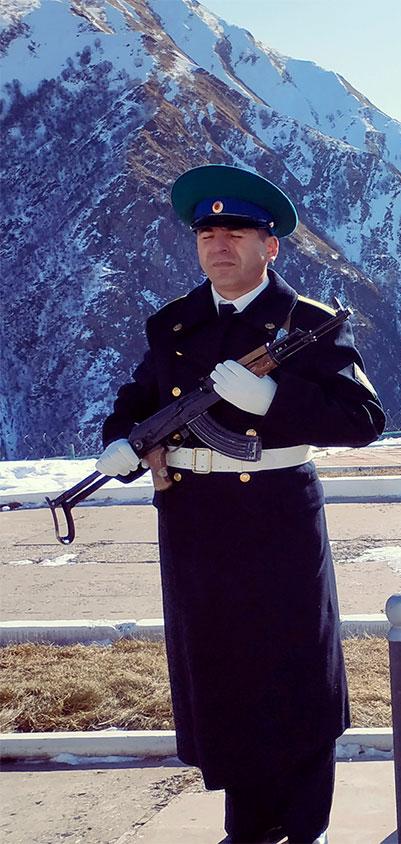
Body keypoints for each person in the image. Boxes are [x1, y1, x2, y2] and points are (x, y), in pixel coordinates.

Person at [95, 164, 384, 843]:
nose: (219, 245)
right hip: (195, 520)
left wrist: (275, 400)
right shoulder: (174, 324)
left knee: (296, 670)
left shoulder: (307, 324)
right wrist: (119, 442)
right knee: (222, 671)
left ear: (269, 246)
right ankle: (249, 825)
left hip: (277, 515)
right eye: (208, 234)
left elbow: (363, 420)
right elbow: (138, 402)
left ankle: (305, 825)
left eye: (237, 233)